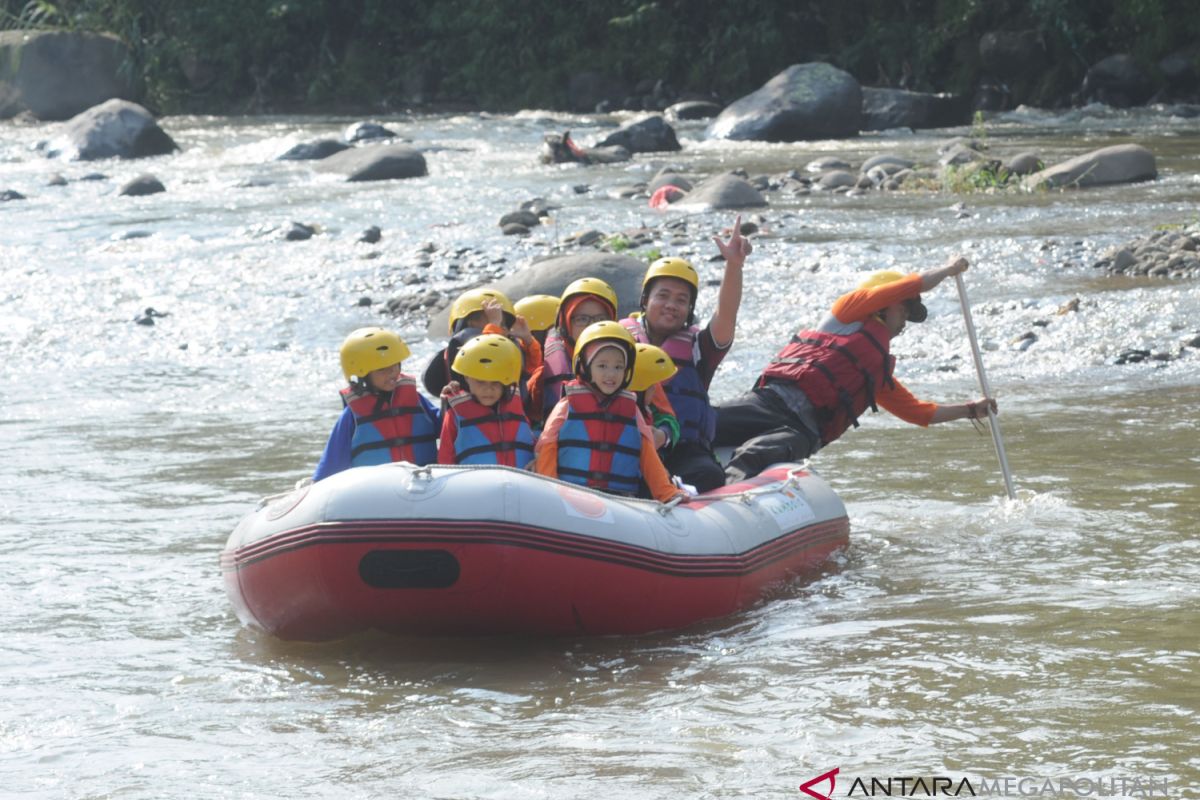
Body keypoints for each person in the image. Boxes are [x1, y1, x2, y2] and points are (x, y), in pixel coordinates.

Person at [714, 256, 999, 483]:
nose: (904, 323)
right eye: (904, 311)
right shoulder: (847, 311)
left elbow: (919, 412)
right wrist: (949, 269)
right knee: (704, 422)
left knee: (754, 456)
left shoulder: (875, 372)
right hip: (769, 403)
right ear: (884, 304)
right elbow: (914, 284)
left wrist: (971, 409)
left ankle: (720, 503)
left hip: (802, 432)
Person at [619, 216, 752, 493]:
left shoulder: (698, 347)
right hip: (626, 443)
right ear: (645, 300)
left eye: (681, 300)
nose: (671, 305)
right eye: (663, 296)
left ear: (689, 309)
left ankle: (672, 491)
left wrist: (734, 266)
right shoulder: (618, 340)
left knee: (708, 474)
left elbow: (726, 314)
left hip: (684, 450)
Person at [534, 322, 684, 503]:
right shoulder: (567, 405)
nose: (611, 374)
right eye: (602, 366)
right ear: (584, 366)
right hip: (572, 495)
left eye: (618, 367)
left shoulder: (631, 409)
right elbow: (547, 447)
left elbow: (648, 456)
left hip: (620, 501)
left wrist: (666, 493)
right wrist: (550, 492)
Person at [313, 327, 439, 482]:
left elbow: (445, 426)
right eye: (382, 370)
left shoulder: (415, 399)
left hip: (422, 485)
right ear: (362, 375)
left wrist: (450, 402)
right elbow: (331, 464)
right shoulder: (352, 415)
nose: (392, 373)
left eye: (395, 365)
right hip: (376, 491)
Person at [526, 277, 619, 424]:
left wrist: (662, 434)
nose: (591, 326)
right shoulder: (545, 367)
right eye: (582, 319)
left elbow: (662, 414)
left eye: (601, 318)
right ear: (565, 323)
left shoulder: (630, 360)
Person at [422, 287, 542, 399]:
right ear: (471, 322)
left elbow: (531, 372)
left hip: (509, 414)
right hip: (473, 414)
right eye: (492, 318)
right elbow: (485, 356)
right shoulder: (460, 347)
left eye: (502, 322)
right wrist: (494, 325)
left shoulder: (507, 345)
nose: (500, 326)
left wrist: (528, 341)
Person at [437, 334, 535, 468]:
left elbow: (530, 441)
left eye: (495, 382)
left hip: (519, 484)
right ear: (466, 378)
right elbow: (445, 458)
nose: (488, 389)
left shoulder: (515, 405)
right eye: (480, 381)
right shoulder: (455, 413)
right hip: (476, 487)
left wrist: (537, 459)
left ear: (507, 382)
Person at [628, 342, 680, 455]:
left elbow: (668, 420)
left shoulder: (648, 408)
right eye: (652, 387)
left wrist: (663, 434)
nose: (655, 390)